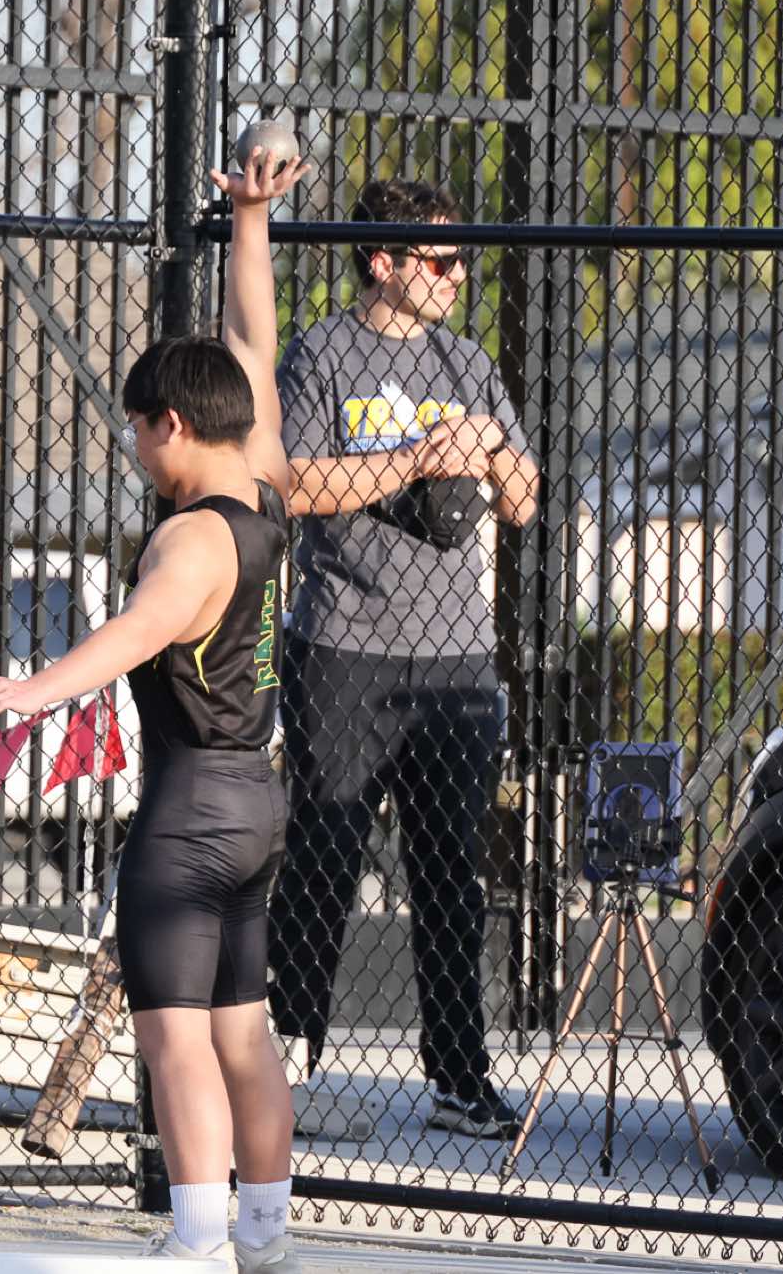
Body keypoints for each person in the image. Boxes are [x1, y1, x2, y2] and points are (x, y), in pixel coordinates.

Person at [0, 150, 309, 1272]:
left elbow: (137, 633)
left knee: (175, 1040)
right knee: (243, 1032)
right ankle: (265, 1236)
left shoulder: (189, 537)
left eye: (136, 427)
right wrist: (250, 222)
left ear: (171, 424)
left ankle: (197, 1239)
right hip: (256, 802)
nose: (132, 446)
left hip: (188, 812)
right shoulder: (262, 485)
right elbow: (253, 346)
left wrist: (31, 688)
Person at [265, 178, 541, 1140]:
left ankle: (461, 1078)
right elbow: (293, 483)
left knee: (450, 877)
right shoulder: (324, 353)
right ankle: (285, 1060)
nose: (458, 276)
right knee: (323, 859)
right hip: (346, 648)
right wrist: (413, 460)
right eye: (440, 260)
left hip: (456, 661)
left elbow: (525, 500)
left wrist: (489, 445)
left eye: (463, 260)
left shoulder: (467, 363)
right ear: (382, 262)